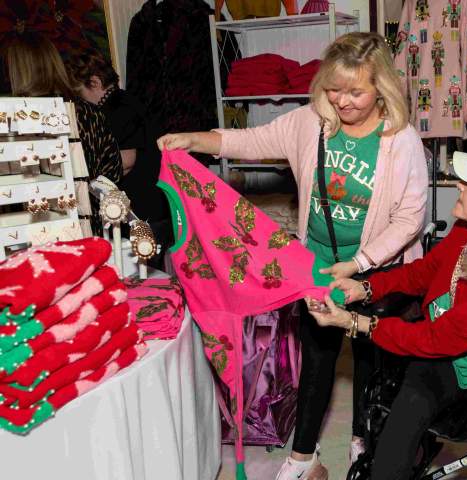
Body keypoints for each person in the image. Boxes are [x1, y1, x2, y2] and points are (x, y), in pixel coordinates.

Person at [158, 31, 429, 480]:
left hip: (377, 273)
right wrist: (195, 140)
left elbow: (410, 218)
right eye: (334, 88)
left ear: (381, 87)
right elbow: (253, 141)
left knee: (371, 363)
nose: (342, 101)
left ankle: (365, 442)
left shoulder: (401, 141)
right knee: (318, 360)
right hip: (316, 265)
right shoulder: (310, 121)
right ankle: (303, 458)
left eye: (355, 92)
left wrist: (361, 265)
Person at [307, 147, 467, 480]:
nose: (460, 185)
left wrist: (353, 322)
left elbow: (437, 338)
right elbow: (422, 273)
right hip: (449, 356)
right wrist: (366, 288)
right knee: (411, 400)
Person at [2, 32, 123, 234]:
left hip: (37, 230)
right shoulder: (90, 113)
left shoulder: (16, 120)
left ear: (16, 71)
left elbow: (12, 190)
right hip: (92, 229)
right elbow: (113, 174)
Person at [66, 50, 171, 259]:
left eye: (79, 93)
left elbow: (127, 159)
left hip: (142, 206)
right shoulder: (128, 101)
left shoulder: (117, 109)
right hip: (153, 203)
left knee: (141, 270)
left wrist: (85, 175)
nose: (81, 102)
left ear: (94, 82)